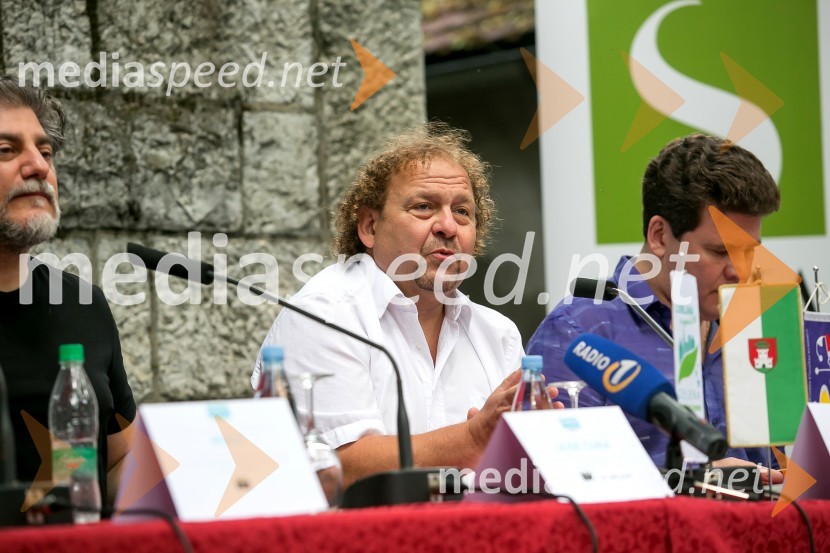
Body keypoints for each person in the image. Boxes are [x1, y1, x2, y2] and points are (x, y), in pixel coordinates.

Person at [253, 122, 561, 487]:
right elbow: (336, 469)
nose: (448, 225)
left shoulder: (497, 333)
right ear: (369, 226)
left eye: (463, 212)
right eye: (423, 207)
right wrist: (475, 438)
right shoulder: (325, 313)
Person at [528, 134, 783, 476]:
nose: (739, 271)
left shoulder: (757, 329)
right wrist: (685, 484)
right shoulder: (579, 329)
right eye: (721, 251)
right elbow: (557, 480)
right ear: (660, 236)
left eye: (750, 251)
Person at [0, 76, 136, 506]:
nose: (39, 167)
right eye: (6, 150)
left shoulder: (83, 304)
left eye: (45, 152)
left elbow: (120, 460)